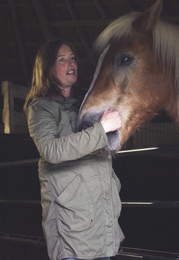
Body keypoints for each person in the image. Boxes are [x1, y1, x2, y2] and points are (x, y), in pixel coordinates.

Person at [24, 39, 125, 260]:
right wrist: (102, 129)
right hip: (72, 221)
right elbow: (51, 150)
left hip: (101, 214)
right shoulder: (40, 107)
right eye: (62, 59)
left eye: (72, 58)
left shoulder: (86, 102)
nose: (71, 63)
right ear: (48, 68)